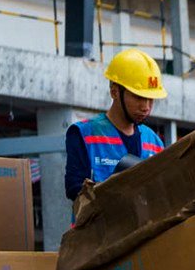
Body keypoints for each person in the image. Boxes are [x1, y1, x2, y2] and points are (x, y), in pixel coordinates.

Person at [64, 49, 167, 203]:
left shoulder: (155, 143)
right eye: (139, 97)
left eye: (150, 99)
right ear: (115, 92)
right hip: (99, 226)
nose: (146, 107)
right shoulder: (84, 134)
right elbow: (74, 189)